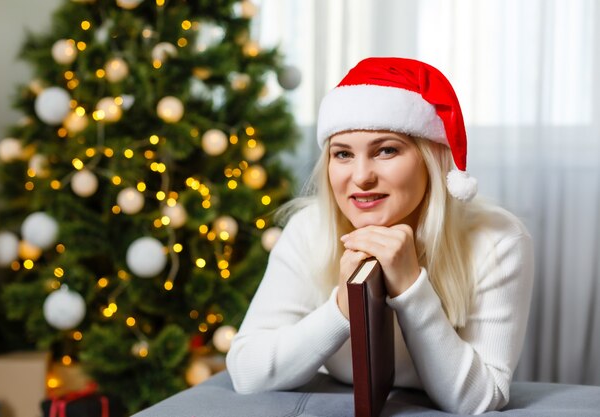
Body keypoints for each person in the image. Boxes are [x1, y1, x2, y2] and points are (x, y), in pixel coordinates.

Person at [225, 57, 534, 415]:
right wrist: (341, 308)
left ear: (431, 158)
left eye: (386, 150)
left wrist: (411, 288)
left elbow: (481, 398)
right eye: (342, 154)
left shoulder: (498, 241)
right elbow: (247, 372)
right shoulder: (309, 228)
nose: (361, 177)